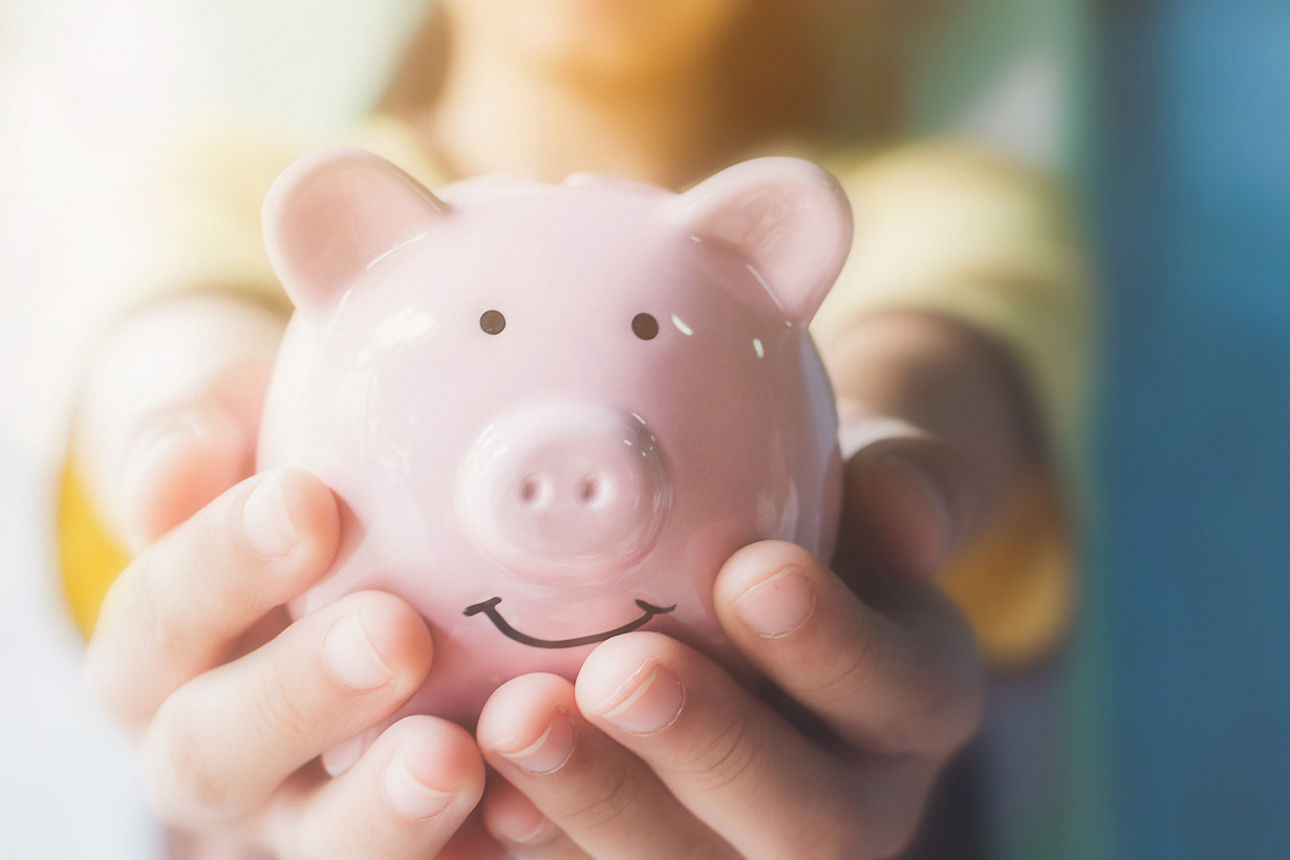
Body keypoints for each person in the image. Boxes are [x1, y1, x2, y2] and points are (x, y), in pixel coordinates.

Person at [59, 0, 1088, 857]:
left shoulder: (932, 206)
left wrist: (857, 451)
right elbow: (172, 318)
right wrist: (189, 425)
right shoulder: (232, 186)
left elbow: (927, 354)